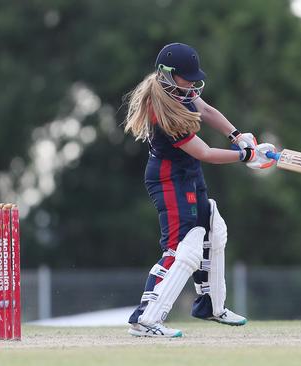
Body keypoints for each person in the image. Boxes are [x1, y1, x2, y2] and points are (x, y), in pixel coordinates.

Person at [123, 42, 275, 338]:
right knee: (183, 246)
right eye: (186, 77)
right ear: (166, 75)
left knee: (213, 229)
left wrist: (238, 136)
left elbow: (206, 110)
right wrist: (245, 157)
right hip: (168, 178)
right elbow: (204, 152)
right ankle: (144, 318)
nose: (192, 83)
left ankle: (211, 305)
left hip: (189, 173)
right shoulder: (163, 111)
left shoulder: (182, 93)